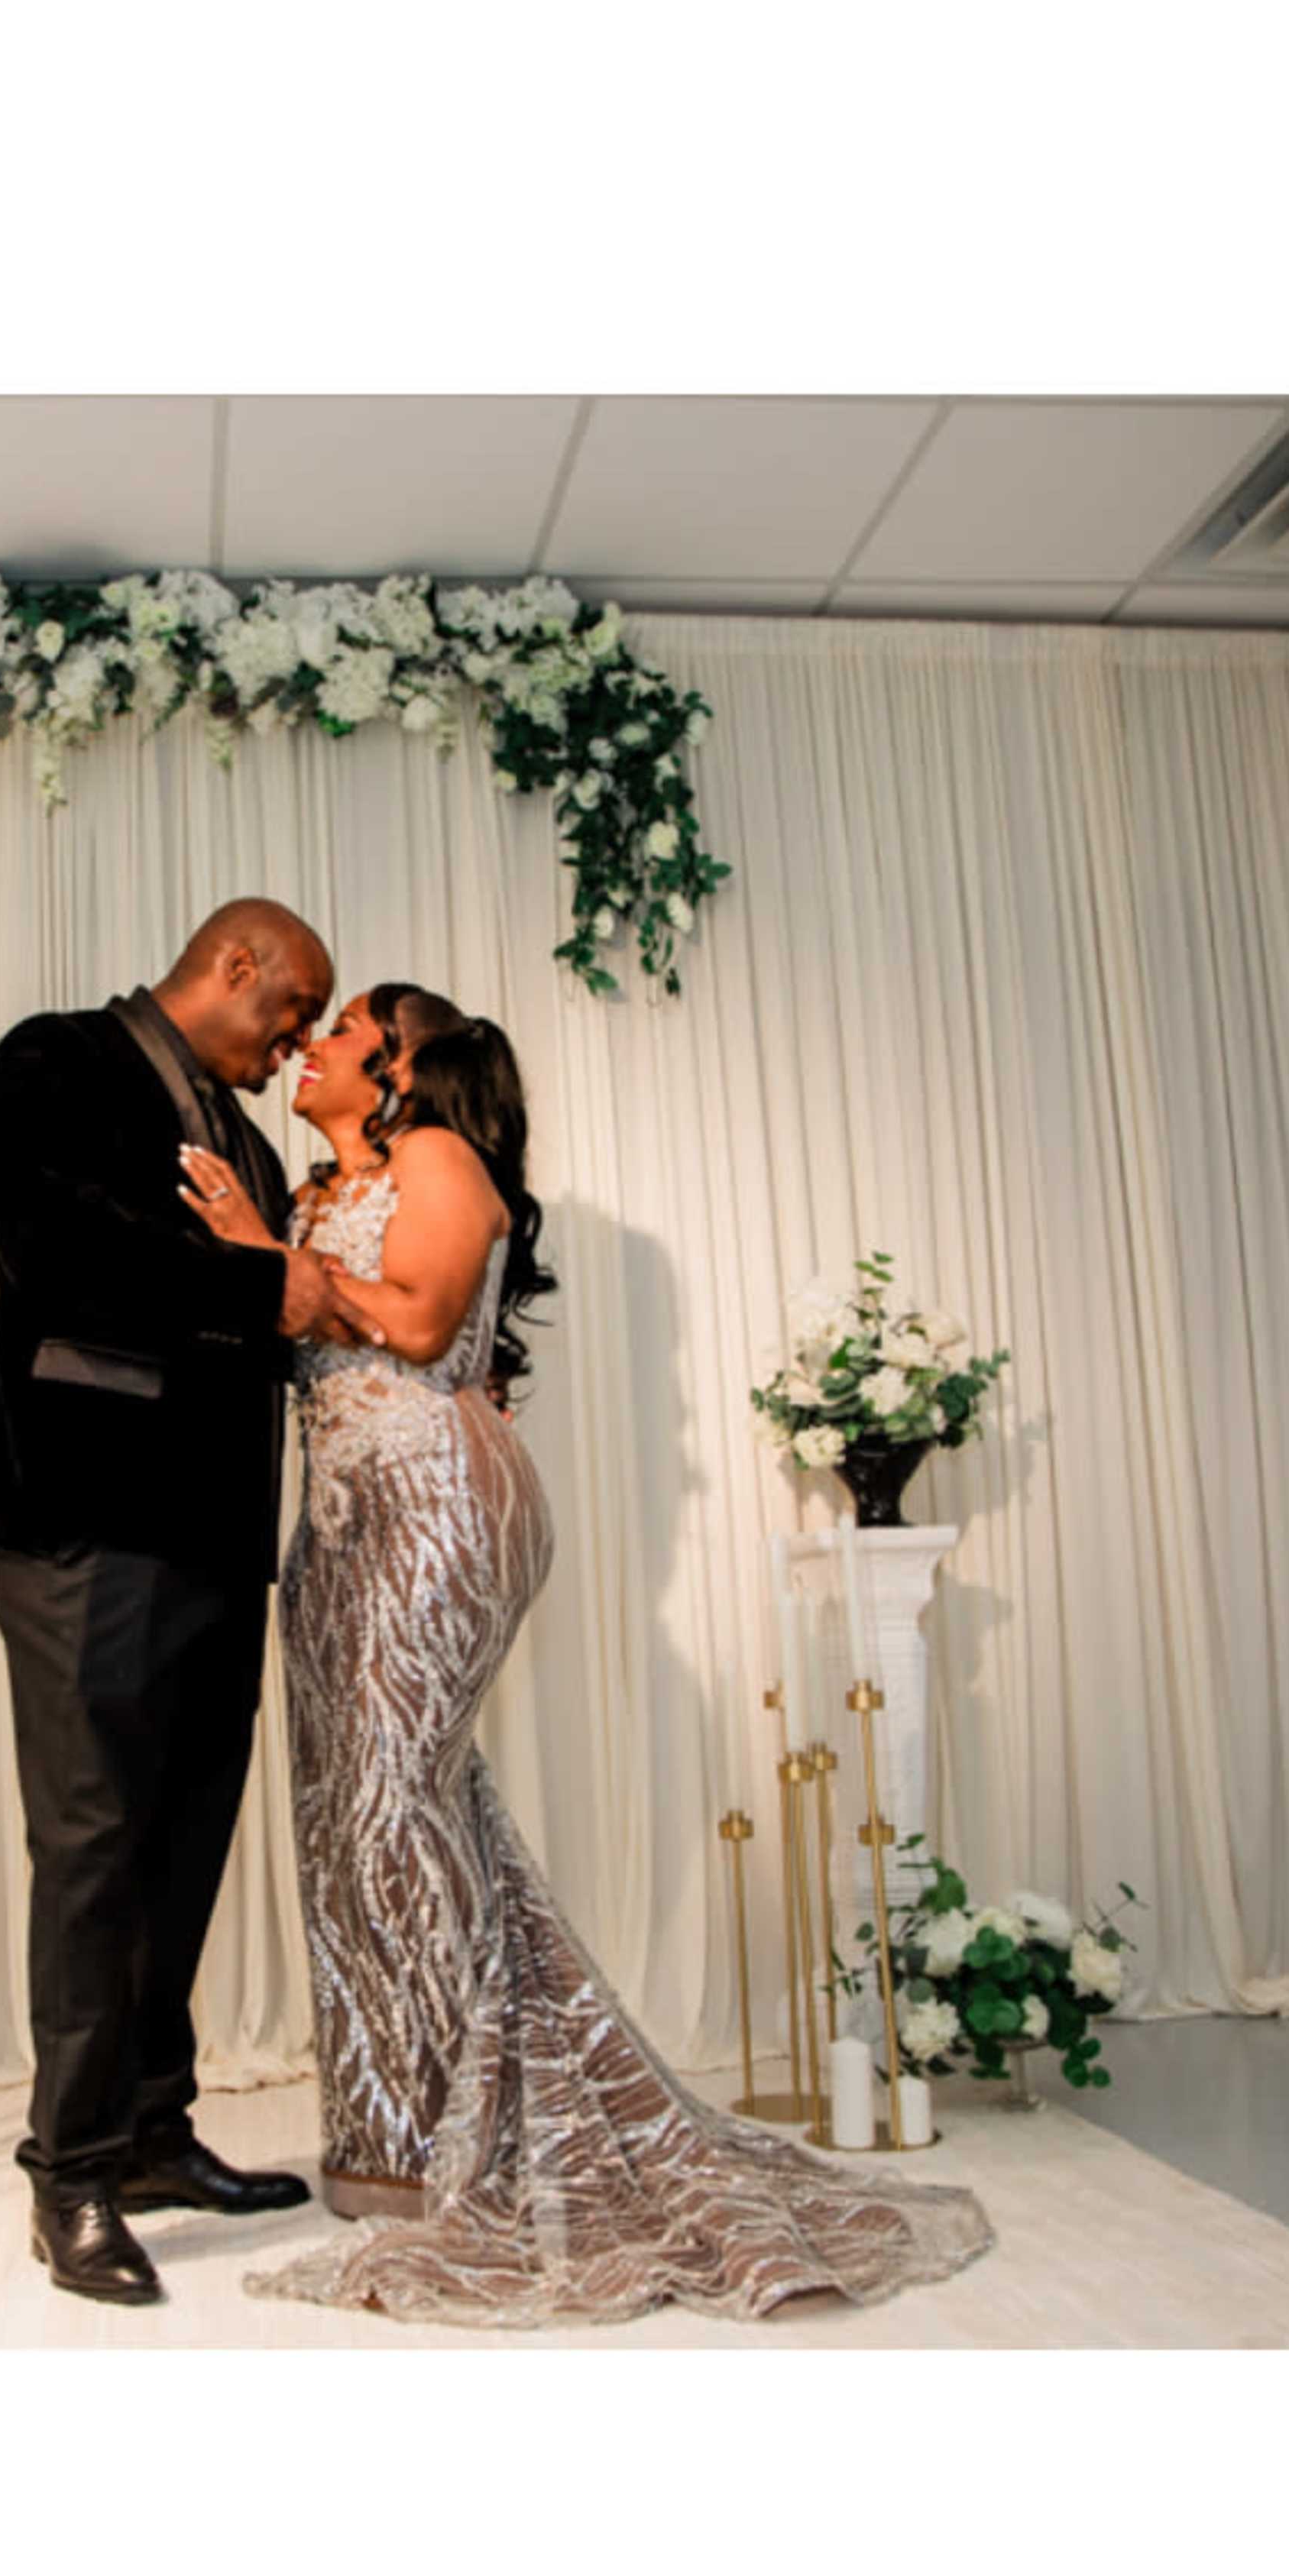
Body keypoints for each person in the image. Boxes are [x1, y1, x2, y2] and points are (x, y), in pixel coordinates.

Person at [180, 982, 996, 2330]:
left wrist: (262, 1257)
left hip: (436, 1506)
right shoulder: (319, 1193)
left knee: (391, 1802)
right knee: (346, 1819)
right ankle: (390, 2139)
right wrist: (268, 1253)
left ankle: (468, 2131)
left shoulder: (440, 1159)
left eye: (343, 1030)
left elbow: (422, 1327)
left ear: (401, 1067)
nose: (311, 1046)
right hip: (336, 1522)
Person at [0, 901, 335, 2307]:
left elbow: (279, 1328)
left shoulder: (253, 1152)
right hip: (84, 1521)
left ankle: (155, 2133)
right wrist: (260, 1278)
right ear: (234, 966)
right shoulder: (52, 1061)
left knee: (183, 1842)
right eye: (290, 1012)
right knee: (94, 1843)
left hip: (217, 1539)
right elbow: (68, 1257)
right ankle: (70, 2173)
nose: (293, 1048)